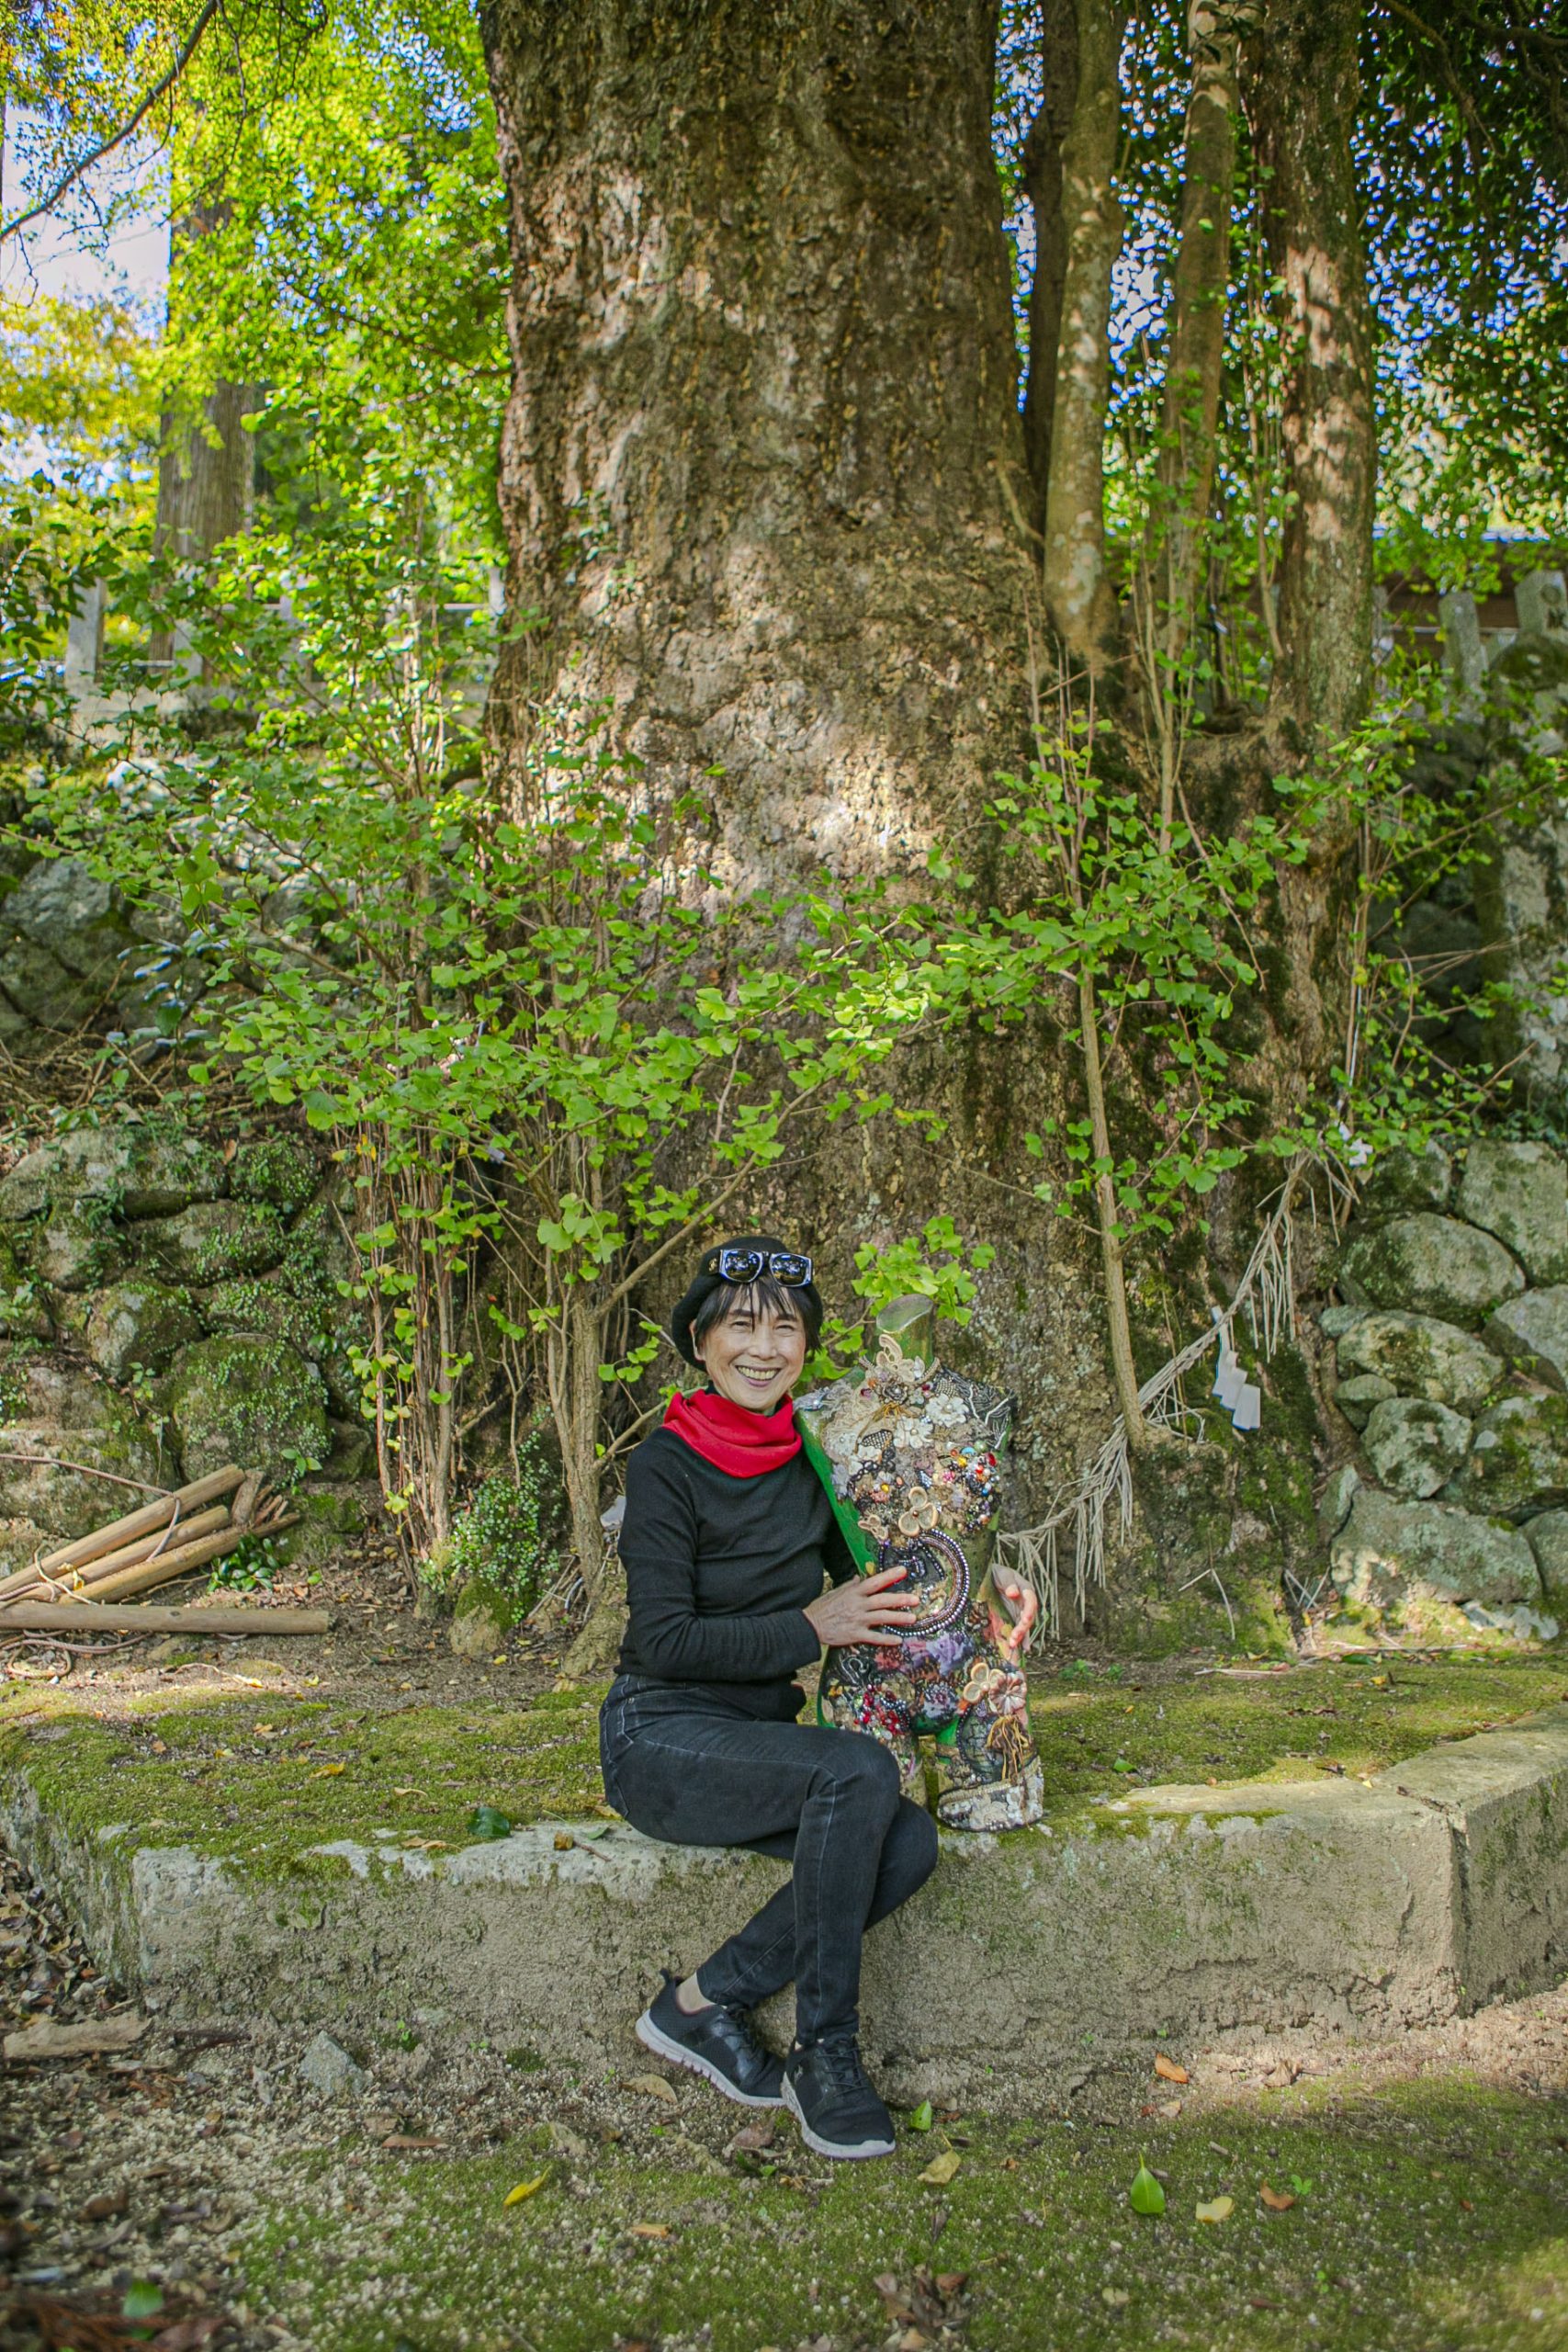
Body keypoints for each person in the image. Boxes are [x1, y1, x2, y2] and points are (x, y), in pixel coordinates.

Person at [598, 1234, 1035, 2161]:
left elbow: (878, 1574)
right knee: (859, 1770)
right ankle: (824, 2053)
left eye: (785, 1329)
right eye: (739, 1326)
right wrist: (810, 1627)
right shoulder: (664, 1465)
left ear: (806, 1345)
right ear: (701, 1342)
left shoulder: (813, 1457)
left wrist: (979, 1587)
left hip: (764, 1749)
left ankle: (700, 2004)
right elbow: (663, 1639)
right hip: (660, 1740)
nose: (763, 1348)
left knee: (908, 1840)